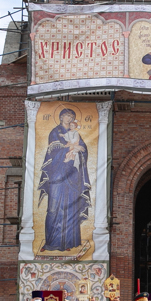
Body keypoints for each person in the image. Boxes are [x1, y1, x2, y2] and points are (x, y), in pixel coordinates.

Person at [37, 108, 91, 253]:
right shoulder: (55, 132)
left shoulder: (76, 134)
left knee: (70, 209)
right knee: (53, 209)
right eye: (67, 115)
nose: (69, 118)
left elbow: (83, 149)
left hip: (72, 176)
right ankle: (51, 243)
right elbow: (52, 150)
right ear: (61, 117)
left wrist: (79, 148)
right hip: (57, 175)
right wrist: (69, 147)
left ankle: (68, 242)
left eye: (72, 116)